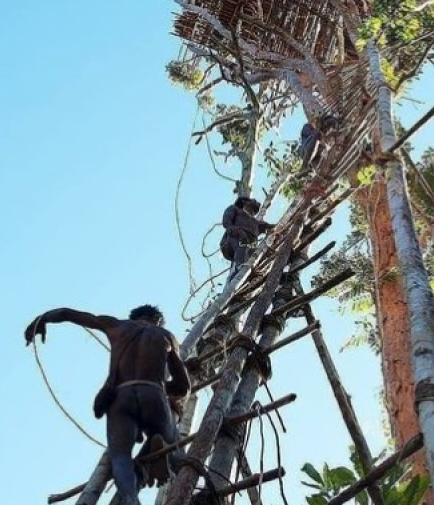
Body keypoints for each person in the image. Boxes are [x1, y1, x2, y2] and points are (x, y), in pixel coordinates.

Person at [24, 304, 191, 505]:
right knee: (173, 445)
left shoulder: (117, 325)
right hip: (153, 393)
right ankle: (160, 452)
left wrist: (42, 319)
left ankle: (130, 499)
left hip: (121, 397)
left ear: (134, 317)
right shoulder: (166, 336)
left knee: (120, 456)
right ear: (157, 320)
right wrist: (161, 387)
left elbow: (71, 314)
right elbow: (183, 386)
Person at [220, 196, 274, 278]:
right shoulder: (235, 209)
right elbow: (226, 222)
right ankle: (239, 268)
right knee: (243, 245)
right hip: (233, 239)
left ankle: (252, 272)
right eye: (254, 201)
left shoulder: (256, 222)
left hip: (250, 244)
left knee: (261, 253)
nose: (256, 203)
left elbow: (269, 226)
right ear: (245, 202)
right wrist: (237, 231)